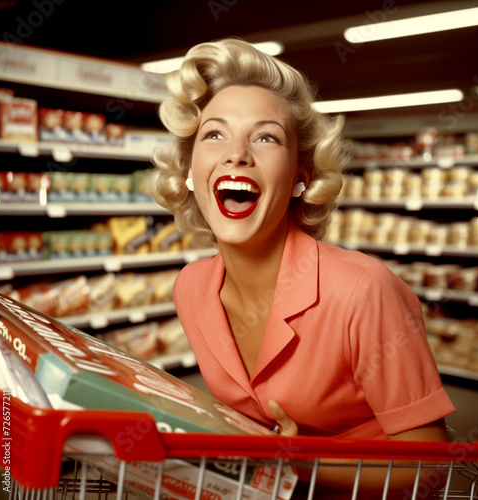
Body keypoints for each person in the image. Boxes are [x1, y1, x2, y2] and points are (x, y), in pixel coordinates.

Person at [151, 38, 455, 496]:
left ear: (300, 176)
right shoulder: (190, 289)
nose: (237, 154)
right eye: (214, 134)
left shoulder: (361, 292)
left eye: (266, 137)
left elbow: (432, 468)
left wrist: (299, 461)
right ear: (190, 171)